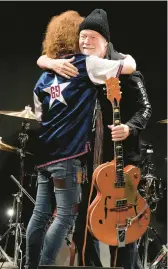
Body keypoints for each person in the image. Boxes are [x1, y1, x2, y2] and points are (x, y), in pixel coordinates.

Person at [37, 9, 152, 269]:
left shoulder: (123, 67)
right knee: (83, 225)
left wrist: (130, 127)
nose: (84, 42)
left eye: (91, 37)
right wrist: (50, 62)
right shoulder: (82, 64)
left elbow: (146, 109)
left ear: (105, 41)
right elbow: (44, 58)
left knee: (124, 227)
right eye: (82, 37)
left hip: (124, 161)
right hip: (88, 159)